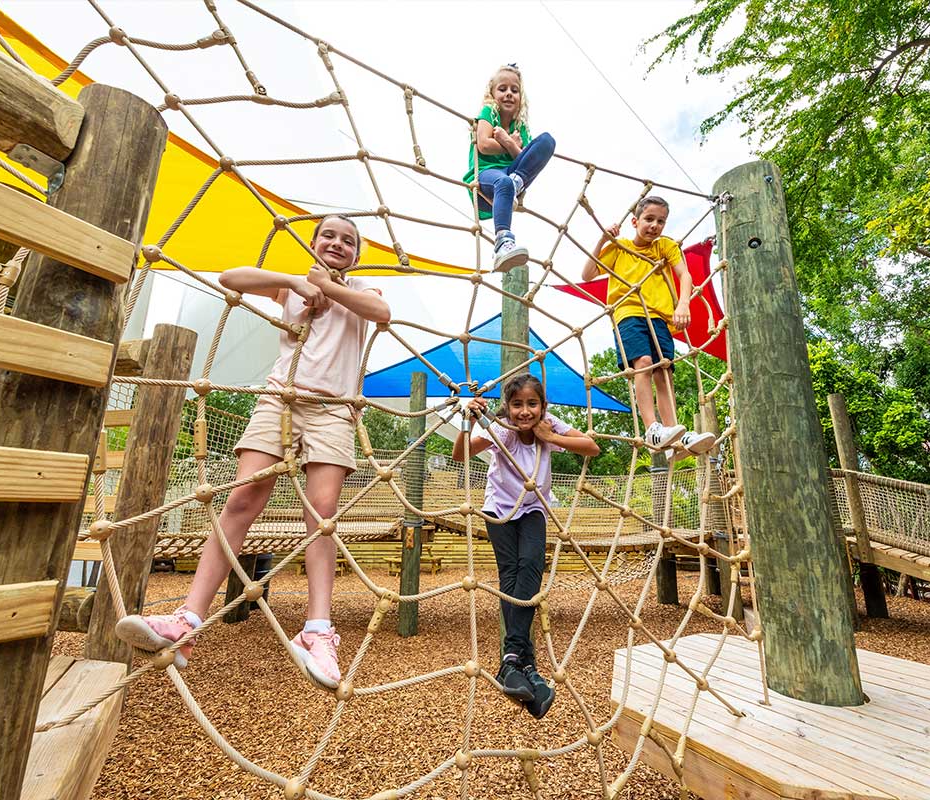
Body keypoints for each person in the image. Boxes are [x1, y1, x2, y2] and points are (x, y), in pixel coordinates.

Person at [115, 215, 390, 690]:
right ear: (313, 242)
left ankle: (317, 630)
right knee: (242, 499)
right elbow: (231, 278)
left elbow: (380, 312)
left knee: (322, 512)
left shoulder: (360, 289)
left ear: (357, 254)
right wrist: (295, 282)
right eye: (328, 235)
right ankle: (187, 621)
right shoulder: (292, 288)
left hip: (333, 409)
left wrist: (328, 287)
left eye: (348, 240)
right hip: (279, 400)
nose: (337, 243)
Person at [452, 373, 600, 719]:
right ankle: (524, 663)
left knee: (531, 567)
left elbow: (592, 447)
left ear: (543, 406)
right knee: (511, 576)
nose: (525, 411)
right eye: (517, 404)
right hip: (500, 509)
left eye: (532, 403)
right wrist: (467, 420)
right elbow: (460, 454)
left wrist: (551, 437)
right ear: (507, 407)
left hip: (533, 509)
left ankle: (512, 661)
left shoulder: (550, 424)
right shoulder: (501, 430)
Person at [581, 196, 715, 458]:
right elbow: (587, 275)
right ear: (635, 221)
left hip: (660, 317)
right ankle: (652, 428)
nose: (655, 225)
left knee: (664, 371)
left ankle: (675, 435)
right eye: (649, 219)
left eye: (661, 221)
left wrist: (683, 304)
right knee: (643, 362)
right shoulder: (620, 248)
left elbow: (684, 274)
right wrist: (603, 240)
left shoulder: (664, 246)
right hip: (628, 312)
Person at [462, 64, 556, 273]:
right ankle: (502, 243)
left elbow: (525, 158)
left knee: (547, 141)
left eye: (514, 90)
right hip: (485, 180)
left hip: (513, 178)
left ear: (521, 97)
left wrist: (507, 140)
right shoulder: (489, 112)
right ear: (492, 94)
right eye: (502, 89)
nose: (508, 94)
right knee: (503, 182)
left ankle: (516, 183)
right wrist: (509, 143)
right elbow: (484, 144)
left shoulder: (520, 126)